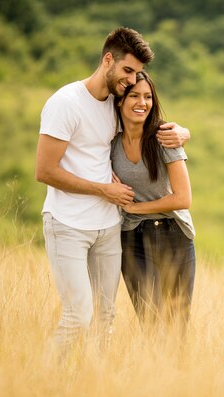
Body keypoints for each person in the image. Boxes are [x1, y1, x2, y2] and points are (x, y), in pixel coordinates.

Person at [35, 28, 190, 354]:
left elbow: (146, 121)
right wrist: (103, 190)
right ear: (108, 59)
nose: (132, 82)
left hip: (109, 228)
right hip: (68, 222)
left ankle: (96, 388)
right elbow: (44, 171)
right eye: (127, 71)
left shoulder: (113, 104)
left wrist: (183, 132)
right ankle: (43, 382)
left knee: (106, 318)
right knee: (78, 316)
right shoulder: (65, 103)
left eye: (135, 74)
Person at [111, 71, 196, 332]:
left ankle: (175, 374)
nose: (142, 103)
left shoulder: (165, 137)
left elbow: (183, 199)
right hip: (132, 237)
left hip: (175, 236)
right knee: (151, 322)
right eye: (134, 96)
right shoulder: (110, 142)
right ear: (119, 102)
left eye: (148, 97)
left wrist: (134, 207)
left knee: (176, 327)